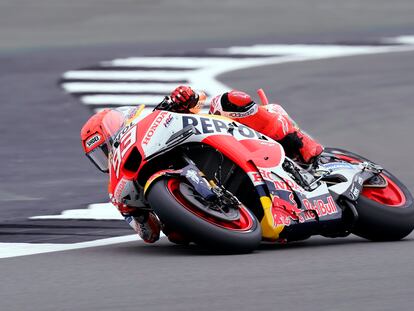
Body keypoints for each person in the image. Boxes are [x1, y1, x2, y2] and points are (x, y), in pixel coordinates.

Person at [80, 86, 323, 244]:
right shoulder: (118, 191)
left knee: (230, 101)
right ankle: (220, 216)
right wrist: (138, 216)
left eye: (105, 147)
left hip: (229, 143)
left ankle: (300, 142)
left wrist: (185, 97)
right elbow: (149, 235)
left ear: (117, 129)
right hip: (208, 222)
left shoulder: (157, 118)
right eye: (99, 156)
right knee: (176, 236)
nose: (107, 156)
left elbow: (197, 102)